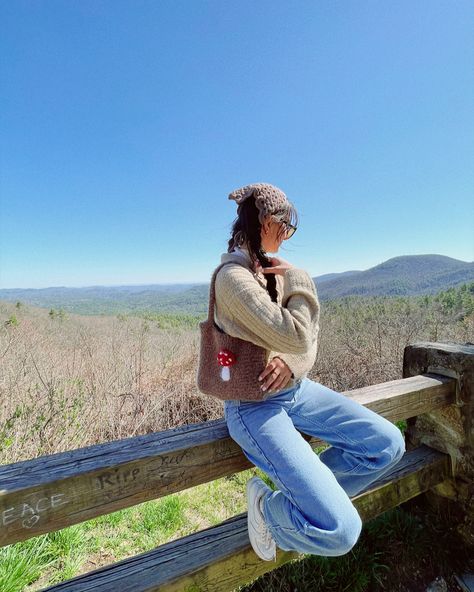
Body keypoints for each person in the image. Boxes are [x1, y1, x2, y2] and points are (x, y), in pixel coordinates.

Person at [213, 183, 406, 562]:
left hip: (297, 390)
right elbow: (299, 332)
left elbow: (307, 340)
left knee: (386, 445)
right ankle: (271, 510)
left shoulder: (270, 270)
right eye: (287, 227)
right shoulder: (232, 280)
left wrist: (293, 363)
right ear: (269, 221)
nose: (287, 236)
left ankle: (302, 496)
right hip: (255, 406)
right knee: (341, 531)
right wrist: (301, 277)